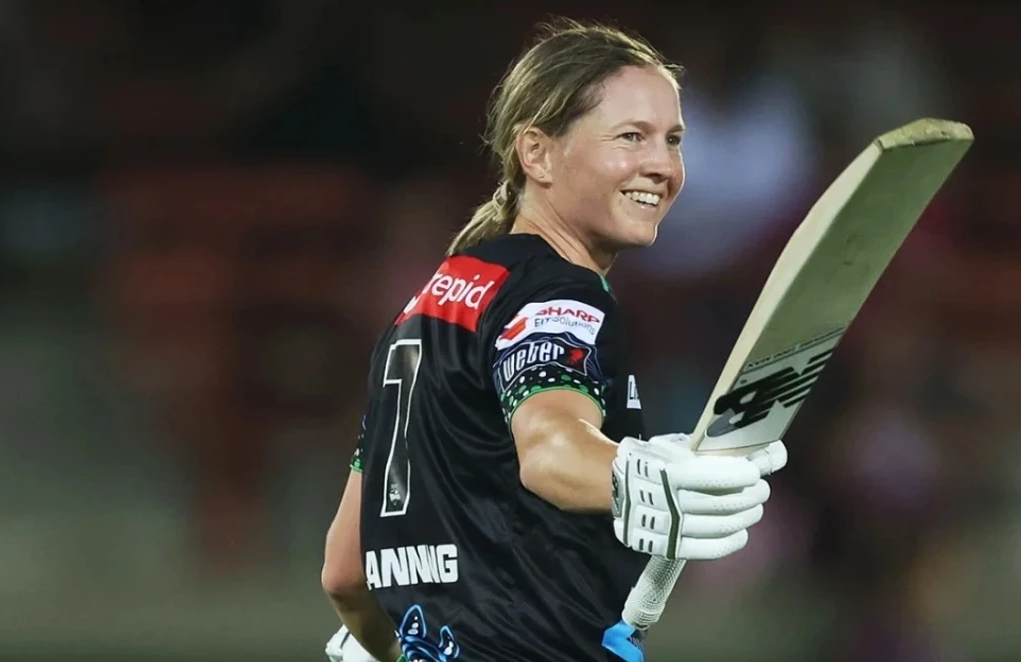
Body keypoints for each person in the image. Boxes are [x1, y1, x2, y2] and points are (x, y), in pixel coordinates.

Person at [320, 18, 787, 662]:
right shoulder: (558, 291)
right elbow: (549, 447)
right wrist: (645, 480)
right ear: (536, 154)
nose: (663, 166)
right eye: (631, 137)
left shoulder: (424, 310)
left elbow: (345, 572)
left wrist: (392, 651)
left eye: (673, 140)